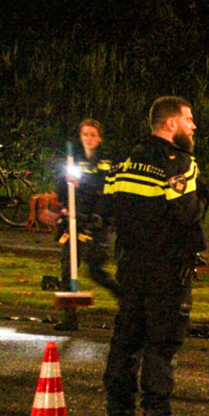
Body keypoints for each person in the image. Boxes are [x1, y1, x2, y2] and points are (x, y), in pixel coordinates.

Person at [101, 96, 208, 416]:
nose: (193, 126)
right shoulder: (179, 163)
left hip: (131, 266)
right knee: (161, 346)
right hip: (167, 269)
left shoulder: (126, 161)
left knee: (126, 342)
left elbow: (110, 205)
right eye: (189, 119)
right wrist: (202, 198)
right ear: (171, 124)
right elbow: (185, 214)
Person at [54, 118, 119, 331]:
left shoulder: (107, 160)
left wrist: (85, 185)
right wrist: (66, 194)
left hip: (98, 221)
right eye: (85, 135)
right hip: (74, 219)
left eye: (92, 135)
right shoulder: (73, 160)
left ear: (99, 137)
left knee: (96, 269)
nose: (89, 139)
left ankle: (127, 302)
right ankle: (69, 317)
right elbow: (62, 188)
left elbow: (106, 189)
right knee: (67, 269)